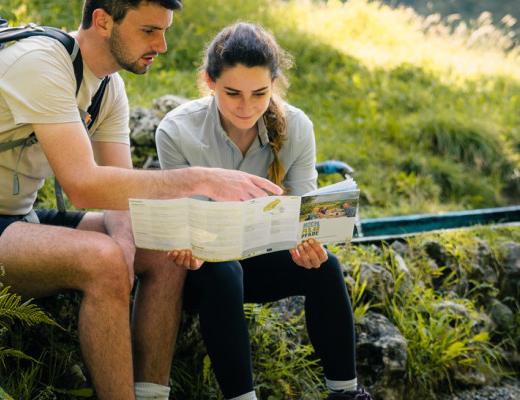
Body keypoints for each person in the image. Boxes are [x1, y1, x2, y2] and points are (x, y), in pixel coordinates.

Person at [0, 2, 282, 399]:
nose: (163, 45)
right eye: (149, 30)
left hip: (14, 220)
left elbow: (122, 197)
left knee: (164, 243)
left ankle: (152, 394)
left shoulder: (108, 87)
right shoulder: (41, 63)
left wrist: (130, 249)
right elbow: (83, 185)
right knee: (102, 260)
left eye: (163, 31)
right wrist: (198, 180)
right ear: (102, 21)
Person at [153, 22, 372, 400]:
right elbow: (187, 223)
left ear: (274, 84)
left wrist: (309, 244)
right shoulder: (177, 131)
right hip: (202, 271)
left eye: (260, 93)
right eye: (232, 93)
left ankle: (346, 392)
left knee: (326, 266)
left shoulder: (297, 127)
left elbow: (306, 210)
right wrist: (185, 243)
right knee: (224, 270)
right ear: (209, 82)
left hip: (259, 259)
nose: (247, 107)